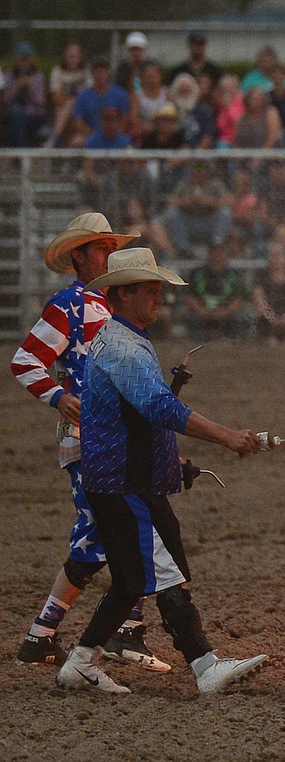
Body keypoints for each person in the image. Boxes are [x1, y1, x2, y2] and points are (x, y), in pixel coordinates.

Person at [54, 247, 267, 694]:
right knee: (165, 572)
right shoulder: (125, 349)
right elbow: (159, 408)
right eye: (151, 290)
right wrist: (227, 436)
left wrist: (174, 463)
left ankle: (80, 660)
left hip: (122, 479)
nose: (159, 299)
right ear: (122, 293)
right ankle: (206, 667)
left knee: (132, 578)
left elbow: (139, 418)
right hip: (124, 483)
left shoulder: (123, 340)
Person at [10, 213, 170, 672]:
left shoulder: (106, 307)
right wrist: (59, 396)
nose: (107, 254)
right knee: (104, 533)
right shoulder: (70, 304)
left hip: (113, 437)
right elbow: (26, 361)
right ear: (78, 255)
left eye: (109, 247)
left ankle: (121, 630)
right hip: (87, 438)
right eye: (99, 247)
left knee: (129, 526)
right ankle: (48, 633)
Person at [160, 161, 233, 257]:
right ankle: (183, 249)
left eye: (202, 170)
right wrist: (185, 202)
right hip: (189, 223)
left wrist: (210, 202)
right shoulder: (185, 184)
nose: (198, 173)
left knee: (225, 213)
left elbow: (229, 201)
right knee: (172, 213)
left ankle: (217, 244)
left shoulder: (216, 184)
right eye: (196, 170)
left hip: (209, 222)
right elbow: (170, 202)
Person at [183, 243, 251, 340]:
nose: (217, 257)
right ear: (209, 255)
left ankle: (235, 345)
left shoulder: (234, 275)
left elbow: (240, 298)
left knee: (240, 318)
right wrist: (202, 311)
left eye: (220, 253)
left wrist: (225, 312)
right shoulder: (196, 274)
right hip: (201, 312)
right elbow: (188, 295)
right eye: (214, 253)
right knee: (193, 318)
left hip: (227, 312)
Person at [70, 55, 132, 148]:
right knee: (76, 142)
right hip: (91, 135)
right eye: (96, 71)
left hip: (116, 134)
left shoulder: (120, 94)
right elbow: (78, 121)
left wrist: (114, 132)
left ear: (108, 72)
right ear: (91, 73)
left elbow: (125, 118)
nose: (99, 75)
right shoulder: (83, 96)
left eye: (102, 71)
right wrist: (92, 134)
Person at [3, 42, 48, 147]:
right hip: (13, 115)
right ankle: (22, 152)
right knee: (16, 117)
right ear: (17, 59)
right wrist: (17, 87)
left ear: (32, 60)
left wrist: (31, 88)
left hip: (34, 115)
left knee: (19, 122)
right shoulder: (9, 75)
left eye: (27, 59)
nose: (24, 62)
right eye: (22, 59)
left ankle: (20, 154)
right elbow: (6, 101)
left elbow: (41, 102)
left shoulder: (38, 75)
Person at [47, 42, 91, 148]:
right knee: (67, 107)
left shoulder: (87, 72)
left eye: (75, 56)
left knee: (71, 104)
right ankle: (59, 142)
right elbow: (57, 99)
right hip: (61, 111)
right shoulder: (57, 71)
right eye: (69, 56)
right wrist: (72, 100)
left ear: (80, 57)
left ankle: (54, 138)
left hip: (83, 111)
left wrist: (71, 99)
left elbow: (88, 97)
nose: (72, 59)